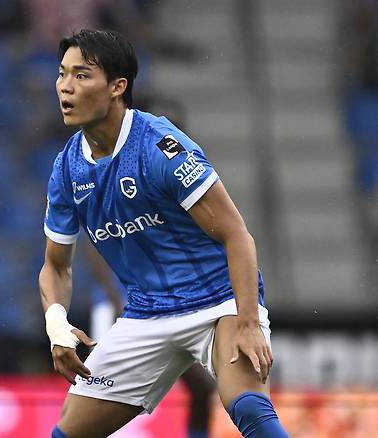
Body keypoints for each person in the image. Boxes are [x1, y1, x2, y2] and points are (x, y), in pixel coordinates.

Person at [39, 29, 289, 437]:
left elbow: (236, 235)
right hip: (146, 312)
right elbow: (56, 267)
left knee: (248, 409)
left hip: (217, 302)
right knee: (66, 434)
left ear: (117, 87)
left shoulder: (160, 148)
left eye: (81, 75)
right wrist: (56, 326)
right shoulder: (67, 169)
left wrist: (248, 323)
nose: (65, 86)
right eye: (62, 74)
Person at [82, 241, 215, 438]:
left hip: (159, 304)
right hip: (117, 307)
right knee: (103, 391)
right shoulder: (104, 221)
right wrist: (115, 299)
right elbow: (93, 247)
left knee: (201, 386)